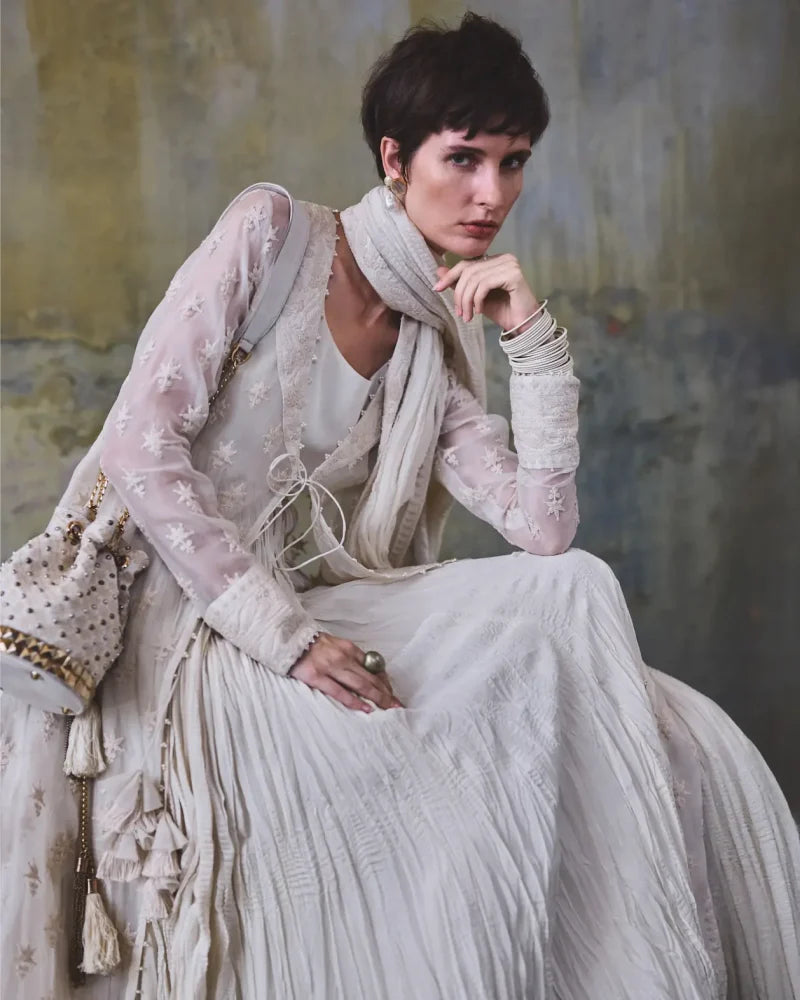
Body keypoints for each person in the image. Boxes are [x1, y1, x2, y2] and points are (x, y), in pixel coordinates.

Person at [2, 13, 798, 1000]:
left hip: (309, 603)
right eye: (463, 158)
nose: (490, 193)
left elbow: (543, 529)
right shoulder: (273, 233)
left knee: (579, 604)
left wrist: (531, 338)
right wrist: (289, 642)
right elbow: (138, 446)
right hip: (179, 619)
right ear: (393, 158)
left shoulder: (429, 337)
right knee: (429, 756)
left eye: (512, 162)